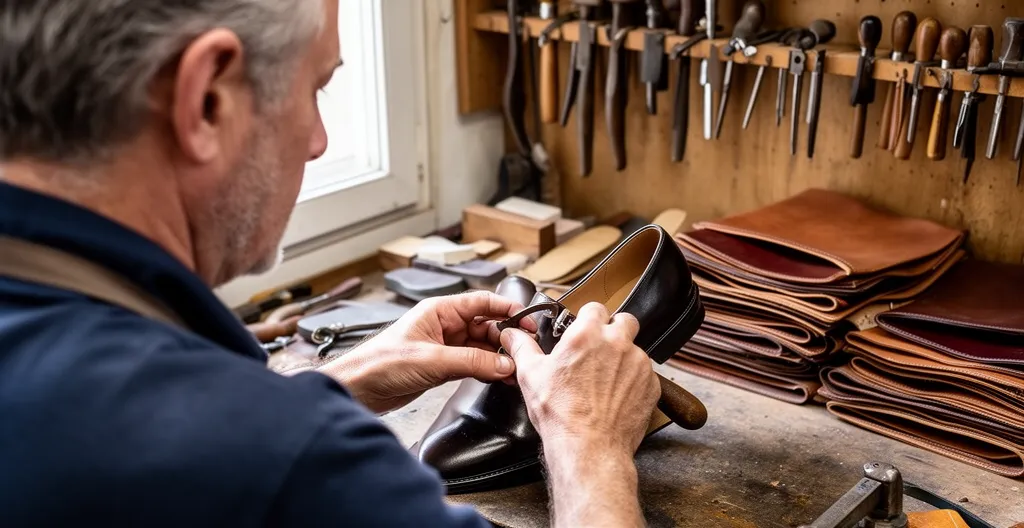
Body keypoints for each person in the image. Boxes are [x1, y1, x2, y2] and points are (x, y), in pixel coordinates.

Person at [0, 1, 662, 526]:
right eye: (316, 86)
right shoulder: (270, 455)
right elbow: (221, 448)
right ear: (206, 100)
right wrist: (587, 444)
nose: (319, 142)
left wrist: (340, 380)